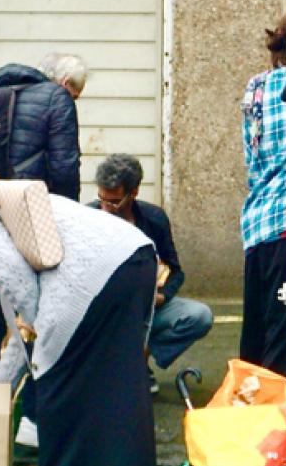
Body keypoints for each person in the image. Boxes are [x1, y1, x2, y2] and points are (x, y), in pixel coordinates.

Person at [0, 181, 157, 466]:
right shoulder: (11, 211)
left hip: (92, 274)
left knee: (56, 375)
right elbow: (22, 338)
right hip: (137, 259)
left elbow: (21, 291)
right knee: (101, 374)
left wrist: (44, 346)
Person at [0, 53, 88, 377]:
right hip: (25, 222)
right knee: (35, 315)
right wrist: (65, 226)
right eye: (76, 94)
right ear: (64, 84)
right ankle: (32, 402)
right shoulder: (55, 99)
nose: (75, 100)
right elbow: (64, 167)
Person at [89, 153, 211, 388]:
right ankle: (112, 367)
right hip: (104, 311)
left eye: (113, 202)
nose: (105, 208)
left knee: (200, 316)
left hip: (146, 308)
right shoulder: (88, 217)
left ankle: (138, 361)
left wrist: (162, 296)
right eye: (101, 199)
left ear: (133, 193)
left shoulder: (154, 219)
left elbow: (176, 272)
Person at [238, 11, 286, 391]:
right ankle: (279, 425)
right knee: (283, 335)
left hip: (257, 219)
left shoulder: (256, 87)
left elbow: (253, 154)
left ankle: (248, 411)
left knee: (256, 333)